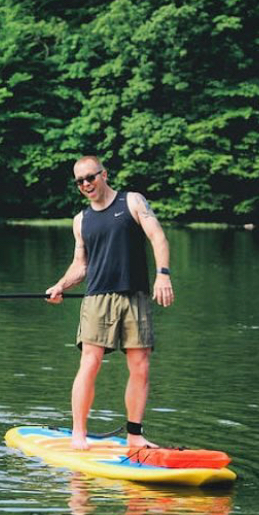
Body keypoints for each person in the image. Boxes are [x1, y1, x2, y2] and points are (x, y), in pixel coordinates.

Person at [45, 156, 175, 450]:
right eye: (80, 181)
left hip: (136, 295)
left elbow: (158, 237)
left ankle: (135, 434)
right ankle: (78, 434)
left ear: (104, 174)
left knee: (140, 365)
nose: (86, 184)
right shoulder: (81, 220)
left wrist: (163, 275)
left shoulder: (132, 202)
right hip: (97, 298)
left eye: (90, 177)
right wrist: (61, 285)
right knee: (89, 363)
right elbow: (81, 265)